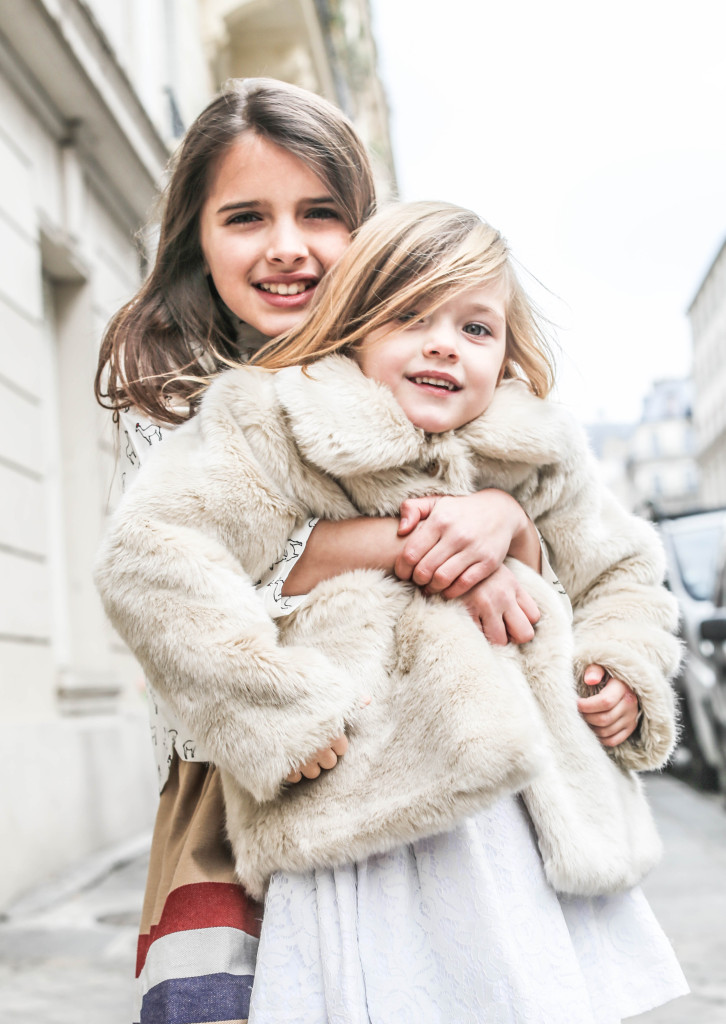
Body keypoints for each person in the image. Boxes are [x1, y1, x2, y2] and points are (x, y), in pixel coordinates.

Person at [96, 201, 688, 1023]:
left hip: (528, 835)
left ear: (508, 353)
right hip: (364, 826)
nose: (445, 342)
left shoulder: (537, 452)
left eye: (477, 328)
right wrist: (278, 713)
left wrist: (622, 667)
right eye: (411, 316)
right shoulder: (278, 425)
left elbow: (623, 571)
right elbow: (153, 559)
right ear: (354, 325)